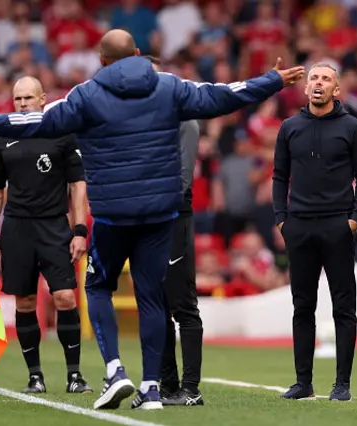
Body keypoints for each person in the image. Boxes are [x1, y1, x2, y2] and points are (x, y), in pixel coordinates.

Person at [0, 30, 304, 411]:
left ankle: (116, 370)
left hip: (114, 213)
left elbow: (33, 122)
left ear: (101, 61)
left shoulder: (85, 95)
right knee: (151, 296)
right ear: (135, 53)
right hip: (159, 213)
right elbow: (223, 95)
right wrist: (273, 81)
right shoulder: (168, 86)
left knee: (98, 288)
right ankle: (151, 389)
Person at [0, 76, 91, 394]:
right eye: (17, 99)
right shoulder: (3, 137)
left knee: (65, 297)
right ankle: (35, 377)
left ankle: (74, 376)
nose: (23, 104)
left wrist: (80, 231)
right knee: (25, 301)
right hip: (17, 229)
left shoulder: (61, 133)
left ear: (43, 99)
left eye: (29, 98)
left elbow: (78, 185)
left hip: (55, 225)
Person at [272, 62, 357, 402]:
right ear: (305, 88)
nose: (318, 83)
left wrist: (356, 217)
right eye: (313, 77)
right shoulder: (289, 127)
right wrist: (281, 219)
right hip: (299, 226)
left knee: (343, 308)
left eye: (326, 78)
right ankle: (303, 382)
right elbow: (279, 176)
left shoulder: (354, 128)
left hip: (338, 225)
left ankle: (341, 384)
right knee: (303, 307)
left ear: (337, 90)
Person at [144, 55, 205, 406]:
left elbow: (181, 181)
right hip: (145, 220)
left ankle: (191, 388)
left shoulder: (184, 120)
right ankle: (166, 385)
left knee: (182, 303)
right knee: (156, 304)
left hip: (171, 216)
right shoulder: (141, 120)